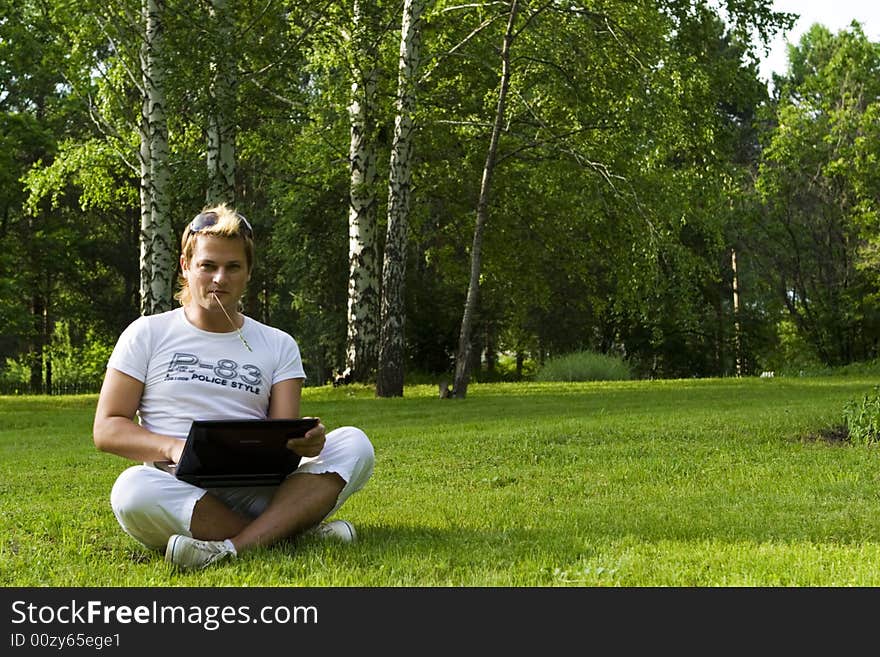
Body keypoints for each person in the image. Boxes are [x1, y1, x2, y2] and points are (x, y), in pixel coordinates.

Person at [93, 203, 374, 570]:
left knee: (354, 442)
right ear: (186, 266)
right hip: (181, 489)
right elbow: (107, 427)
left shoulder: (278, 343)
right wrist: (174, 448)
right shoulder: (147, 333)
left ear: (248, 273)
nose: (219, 279)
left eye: (232, 267)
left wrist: (306, 442)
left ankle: (235, 547)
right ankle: (287, 535)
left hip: (264, 490)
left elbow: (282, 436)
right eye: (208, 266)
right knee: (131, 490)